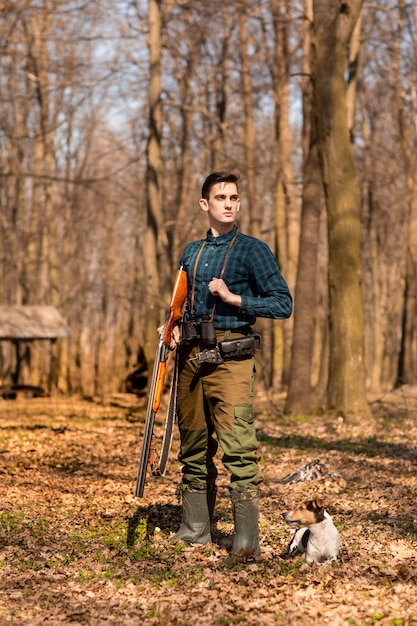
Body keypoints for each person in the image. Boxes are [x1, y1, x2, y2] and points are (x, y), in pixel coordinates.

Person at [169, 171, 292, 561]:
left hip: (231, 360)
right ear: (205, 204)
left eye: (234, 198)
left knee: (239, 450)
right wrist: (171, 326)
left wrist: (235, 298)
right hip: (189, 358)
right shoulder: (191, 252)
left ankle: (245, 543)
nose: (228, 203)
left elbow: (282, 304)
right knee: (192, 446)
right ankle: (194, 532)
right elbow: (180, 303)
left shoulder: (253, 250)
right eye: (220, 197)